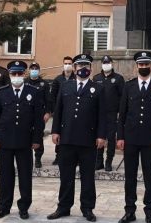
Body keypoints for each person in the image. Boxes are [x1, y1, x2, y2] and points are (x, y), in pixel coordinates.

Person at [47, 54, 106, 222]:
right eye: (79, 66)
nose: (82, 68)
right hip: (67, 139)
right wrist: (55, 131)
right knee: (66, 176)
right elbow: (58, 111)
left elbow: (103, 114)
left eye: (86, 65)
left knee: (88, 176)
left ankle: (87, 208)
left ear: (91, 68)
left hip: (88, 140)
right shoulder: (66, 87)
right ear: (74, 68)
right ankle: (64, 207)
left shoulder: (98, 88)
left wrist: (102, 135)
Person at [117, 51, 151, 223]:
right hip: (130, 139)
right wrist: (120, 137)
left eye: (146, 64)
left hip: (150, 140)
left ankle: (149, 211)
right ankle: (129, 210)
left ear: (150, 65)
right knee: (130, 176)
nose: (144, 67)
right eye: (141, 65)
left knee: (149, 177)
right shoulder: (128, 86)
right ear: (136, 66)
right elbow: (122, 114)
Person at [0, 61, 45, 219]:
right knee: (5, 177)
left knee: (25, 176)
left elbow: (38, 119)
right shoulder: (1, 92)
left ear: (24, 74)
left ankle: (24, 207)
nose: (16, 77)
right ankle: (4, 206)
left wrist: (37, 139)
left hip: (25, 141)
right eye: (14, 74)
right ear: (9, 75)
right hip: (5, 141)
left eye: (19, 74)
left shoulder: (33, 91)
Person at [93, 54, 125, 171]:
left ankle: (108, 161)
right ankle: (98, 161)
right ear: (101, 64)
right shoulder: (96, 78)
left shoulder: (118, 78)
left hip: (112, 113)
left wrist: (120, 112)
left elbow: (123, 97)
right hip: (99, 113)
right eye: (104, 63)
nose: (106, 65)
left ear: (112, 64)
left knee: (111, 138)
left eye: (108, 62)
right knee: (99, 136)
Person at [49, 55, 76, 165]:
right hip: (60, 112)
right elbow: (53, 96)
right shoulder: (58, 79)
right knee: (59, 133)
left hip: (72, 112)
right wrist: (54, 110)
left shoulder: (76, 79)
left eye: (69, 63)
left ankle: (74, 157)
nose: (67, 65)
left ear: (73, 66)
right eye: (65, 63)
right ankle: (58, 156)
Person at [25, 61, 51, 169]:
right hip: (26, 113)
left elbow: (48, 100)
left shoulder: (43, 84)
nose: (34, 70)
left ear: (39, 71)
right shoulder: (24, 82)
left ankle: (38, 158)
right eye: (32, 68)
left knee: (38, 135)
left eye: (36, 69)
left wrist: (48, 112)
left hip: (39, 114)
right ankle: (26, 158)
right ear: (29, 70)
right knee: (25, 135)